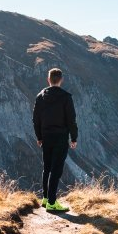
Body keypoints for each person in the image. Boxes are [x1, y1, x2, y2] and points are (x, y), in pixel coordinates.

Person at [32, 67, 78, 212]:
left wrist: (39, 136)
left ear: (48, 80)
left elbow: (36, 119)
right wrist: (74, 137)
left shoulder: (40, 96)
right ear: (61, 80)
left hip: (46, 136)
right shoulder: (66, 97)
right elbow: (71, 120)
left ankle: (45, 198)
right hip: (60, 137)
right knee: (56, 169)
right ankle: (52, 203)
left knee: (47, 167)